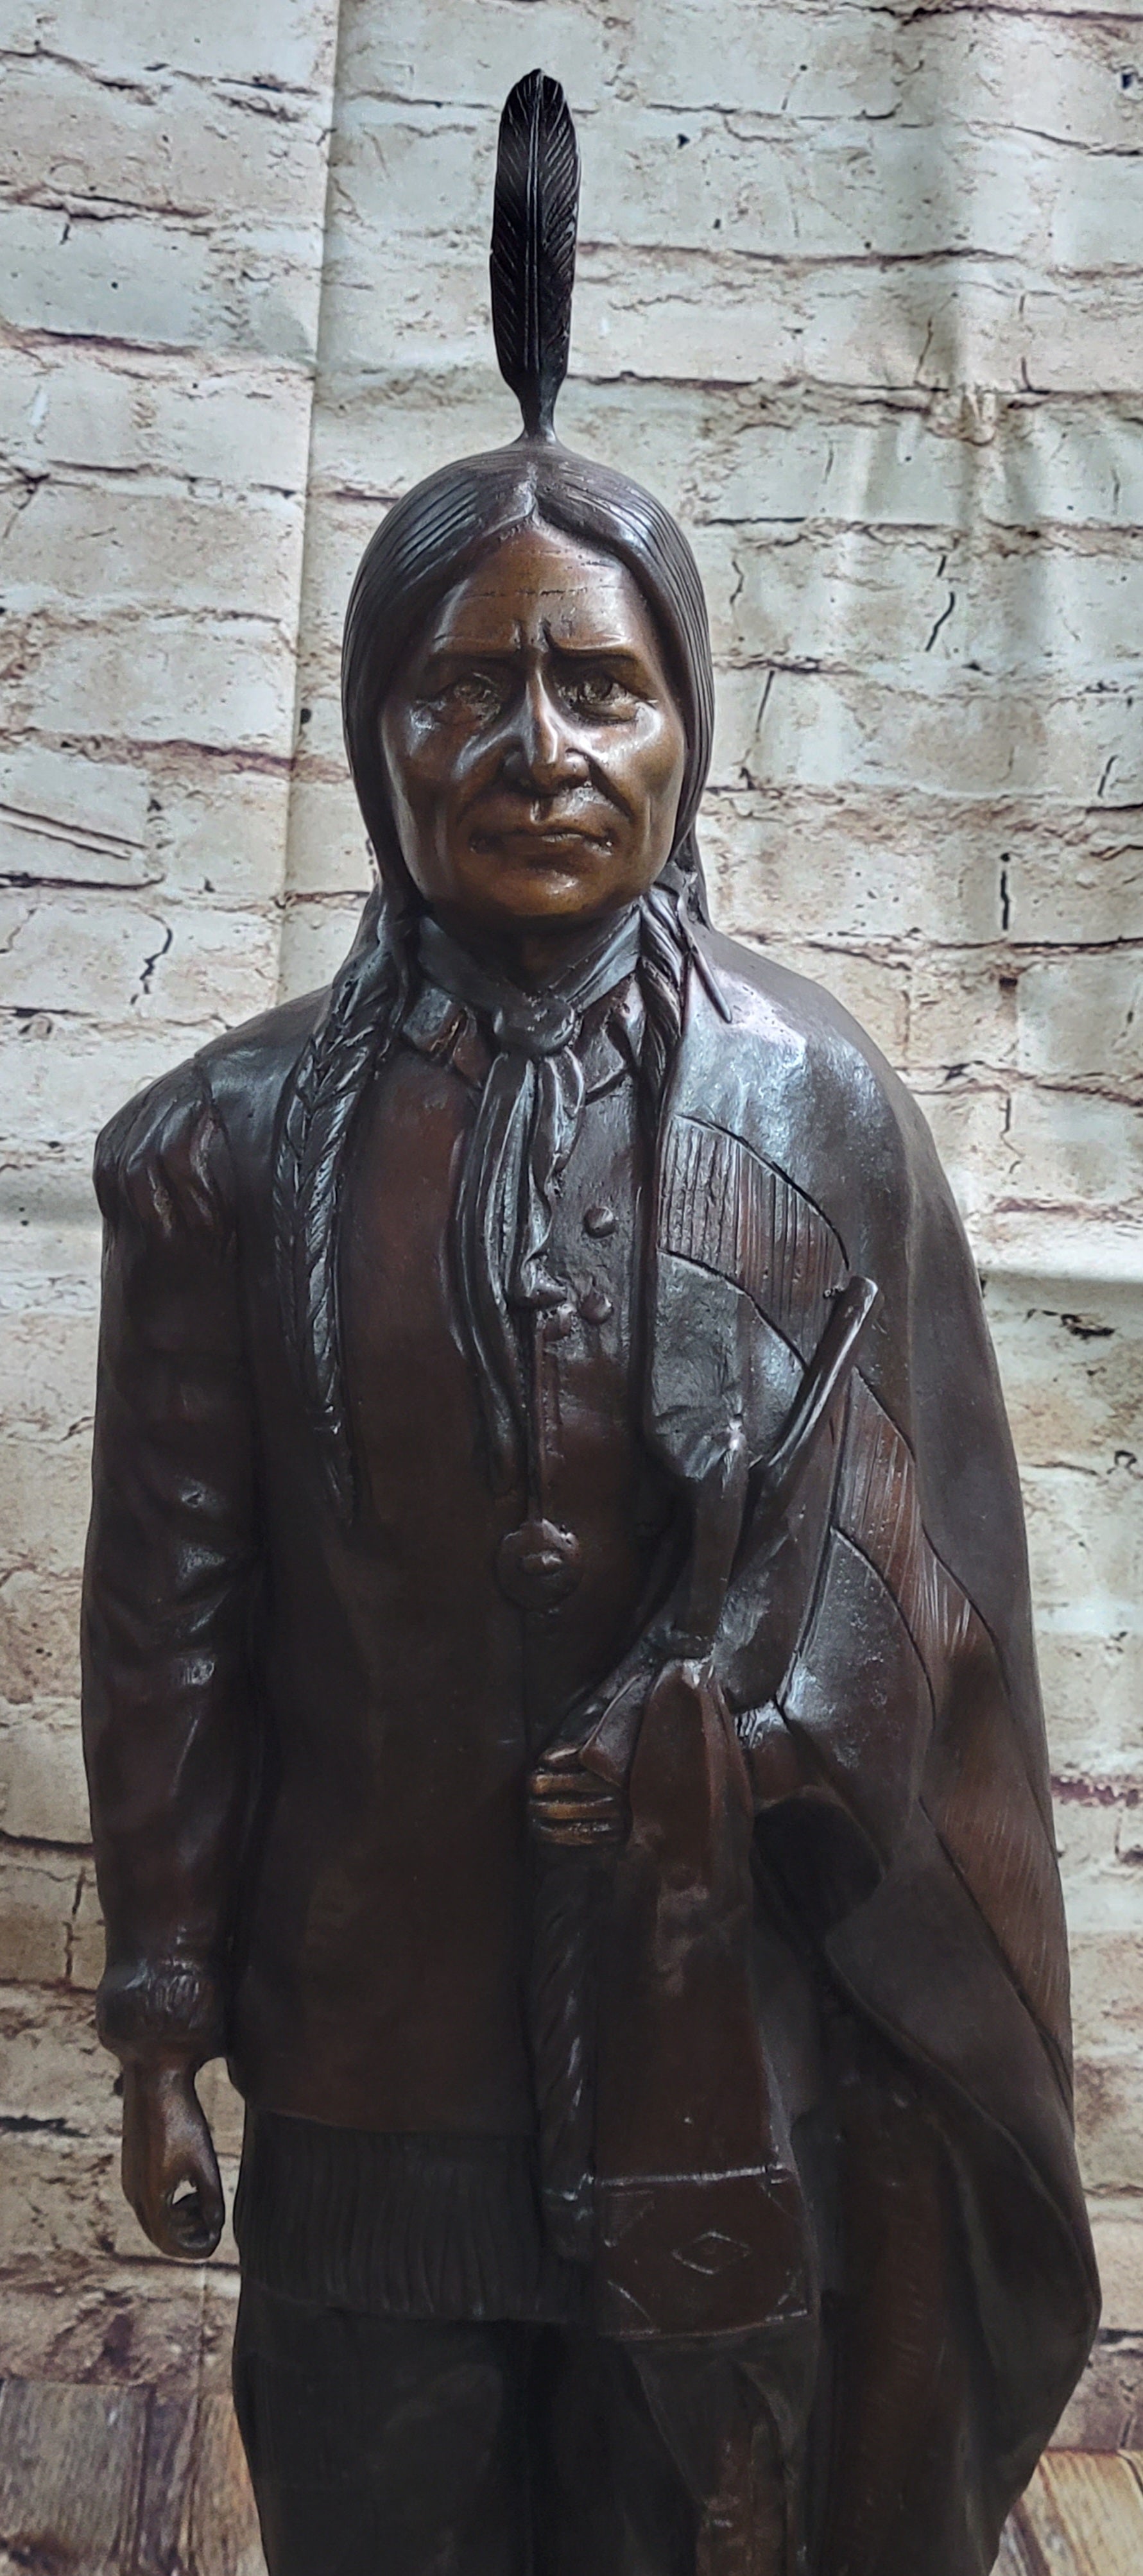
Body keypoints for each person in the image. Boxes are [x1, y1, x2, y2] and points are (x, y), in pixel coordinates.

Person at [82, 73, 1097, 2576]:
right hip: (372, 2048)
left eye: (601, 689)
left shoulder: (808, 1109)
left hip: (716, 2030)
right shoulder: (224, 1149)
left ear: (685, 733)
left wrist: (735, 1729)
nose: (537, 746)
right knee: (387, 2508)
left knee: (691, 2524)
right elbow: (171, 1617)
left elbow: (927, 1593)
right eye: (466, 688)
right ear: (374, 735)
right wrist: (165, 2015)